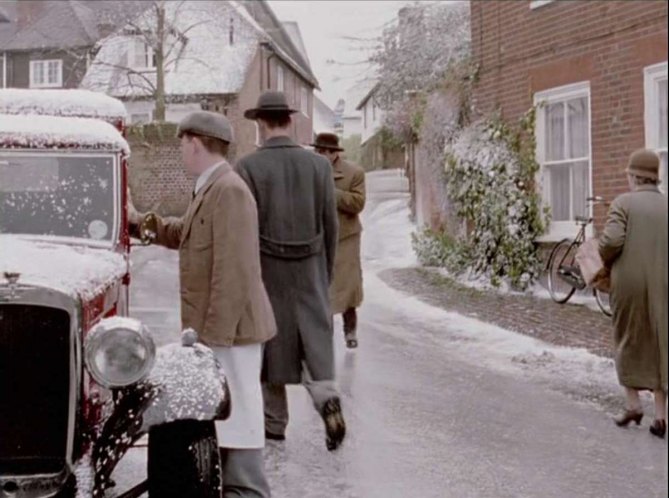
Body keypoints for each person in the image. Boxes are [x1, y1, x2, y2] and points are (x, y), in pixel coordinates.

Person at [130, 111, 276, 496]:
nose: (180, 150)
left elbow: (235, 271)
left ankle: (248, 491)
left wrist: (210, 344)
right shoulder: (211, 186)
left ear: (194, 143)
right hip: (223, 333)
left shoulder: (228, 191)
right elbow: (182, 232)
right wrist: (137, 222)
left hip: (232, 334)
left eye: (182, 143)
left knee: (239, 416)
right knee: (225, 417)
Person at [236, 91, 346, 451]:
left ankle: (274, 426)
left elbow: (245, 231)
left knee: (271, 350)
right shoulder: (320, 167)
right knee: (315, 345)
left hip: (268, 273)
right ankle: (326, 399)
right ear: (289, 120)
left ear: (261, 124)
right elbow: (331, 226)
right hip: (311, 267)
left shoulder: (248, 168)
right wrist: (324, 273)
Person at [599, 148, 668, 439]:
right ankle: (661, 417)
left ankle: (633, 405)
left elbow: (612, 240)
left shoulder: (623, 203)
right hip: (664, 281)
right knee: (661, 340)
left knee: (627, 336)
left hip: (630, 283)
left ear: (635, 176)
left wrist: (601, 253)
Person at [311, 132, 366, 348]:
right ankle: (325, 333)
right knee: (323, 287)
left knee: (348, 287)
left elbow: (358, 203)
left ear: (334, 154)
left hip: (346, 237)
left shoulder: (354, 173)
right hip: (319, 236)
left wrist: (331, 192)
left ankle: (350, 331)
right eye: (317, 151)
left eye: (324, 152)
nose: (320, 155)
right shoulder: (311, 172)